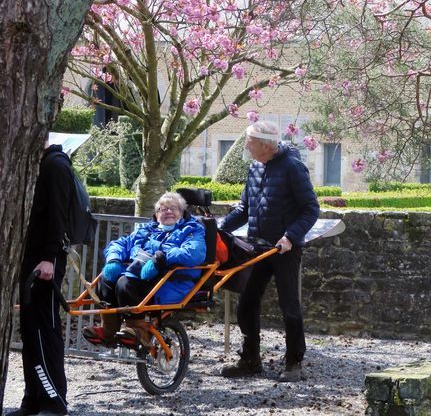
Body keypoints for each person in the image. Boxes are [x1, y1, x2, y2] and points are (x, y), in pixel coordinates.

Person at [219, 121, 320, 382]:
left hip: (284, 248)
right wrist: (219, 228)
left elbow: (310, 208)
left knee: (289, 306)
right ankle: (250, 360)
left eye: (249, 141)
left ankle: (294, 362)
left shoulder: (293, 168)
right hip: (257, 247)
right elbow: (244, 210)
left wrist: (290, 236)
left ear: (265, 145)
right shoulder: (254, 167)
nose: (246, 146)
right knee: (246, 304)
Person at [81, 192, 205, 348]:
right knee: (105, 279)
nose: (168, 211)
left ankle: (140, 331)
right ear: (156, 214)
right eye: (163, 209)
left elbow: (194, 253)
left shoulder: (192, 230)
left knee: (125, 283)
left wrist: (161, 258)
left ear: (181, 212)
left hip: (171, 280)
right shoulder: (146, 229)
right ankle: (109, 331)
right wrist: (114, 259)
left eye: (173, 208)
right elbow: (119, 244)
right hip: (140, 274)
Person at [11, 143, 74, 416]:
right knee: (30, 330)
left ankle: (54, 401)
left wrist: (49, 257)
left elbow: (59, 216)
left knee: (44, 329)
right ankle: (33, 399)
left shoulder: (55, 165)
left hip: (45, 262)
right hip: (33, 259)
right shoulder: (41, 165)